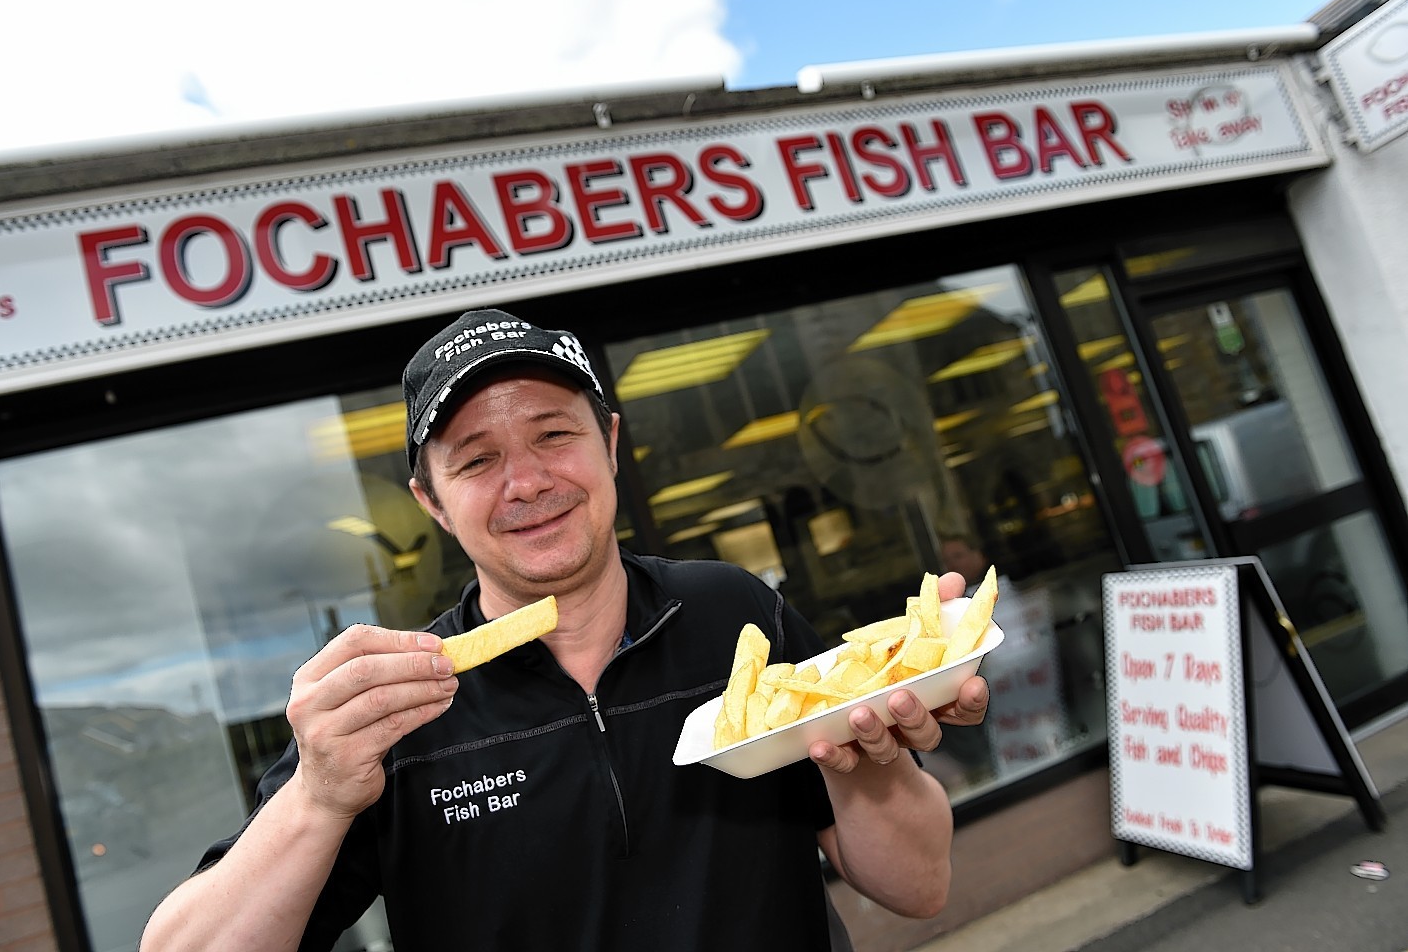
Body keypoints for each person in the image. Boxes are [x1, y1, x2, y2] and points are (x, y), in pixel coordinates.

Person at [139, 309, 990, 952]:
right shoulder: (391, 705)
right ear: (431, 502)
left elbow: (918, 885)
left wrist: (869, 759)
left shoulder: (736, 614)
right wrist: (319, 798)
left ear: (610, 443)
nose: (527, 481)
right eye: (476, 459)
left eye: (554, 434)